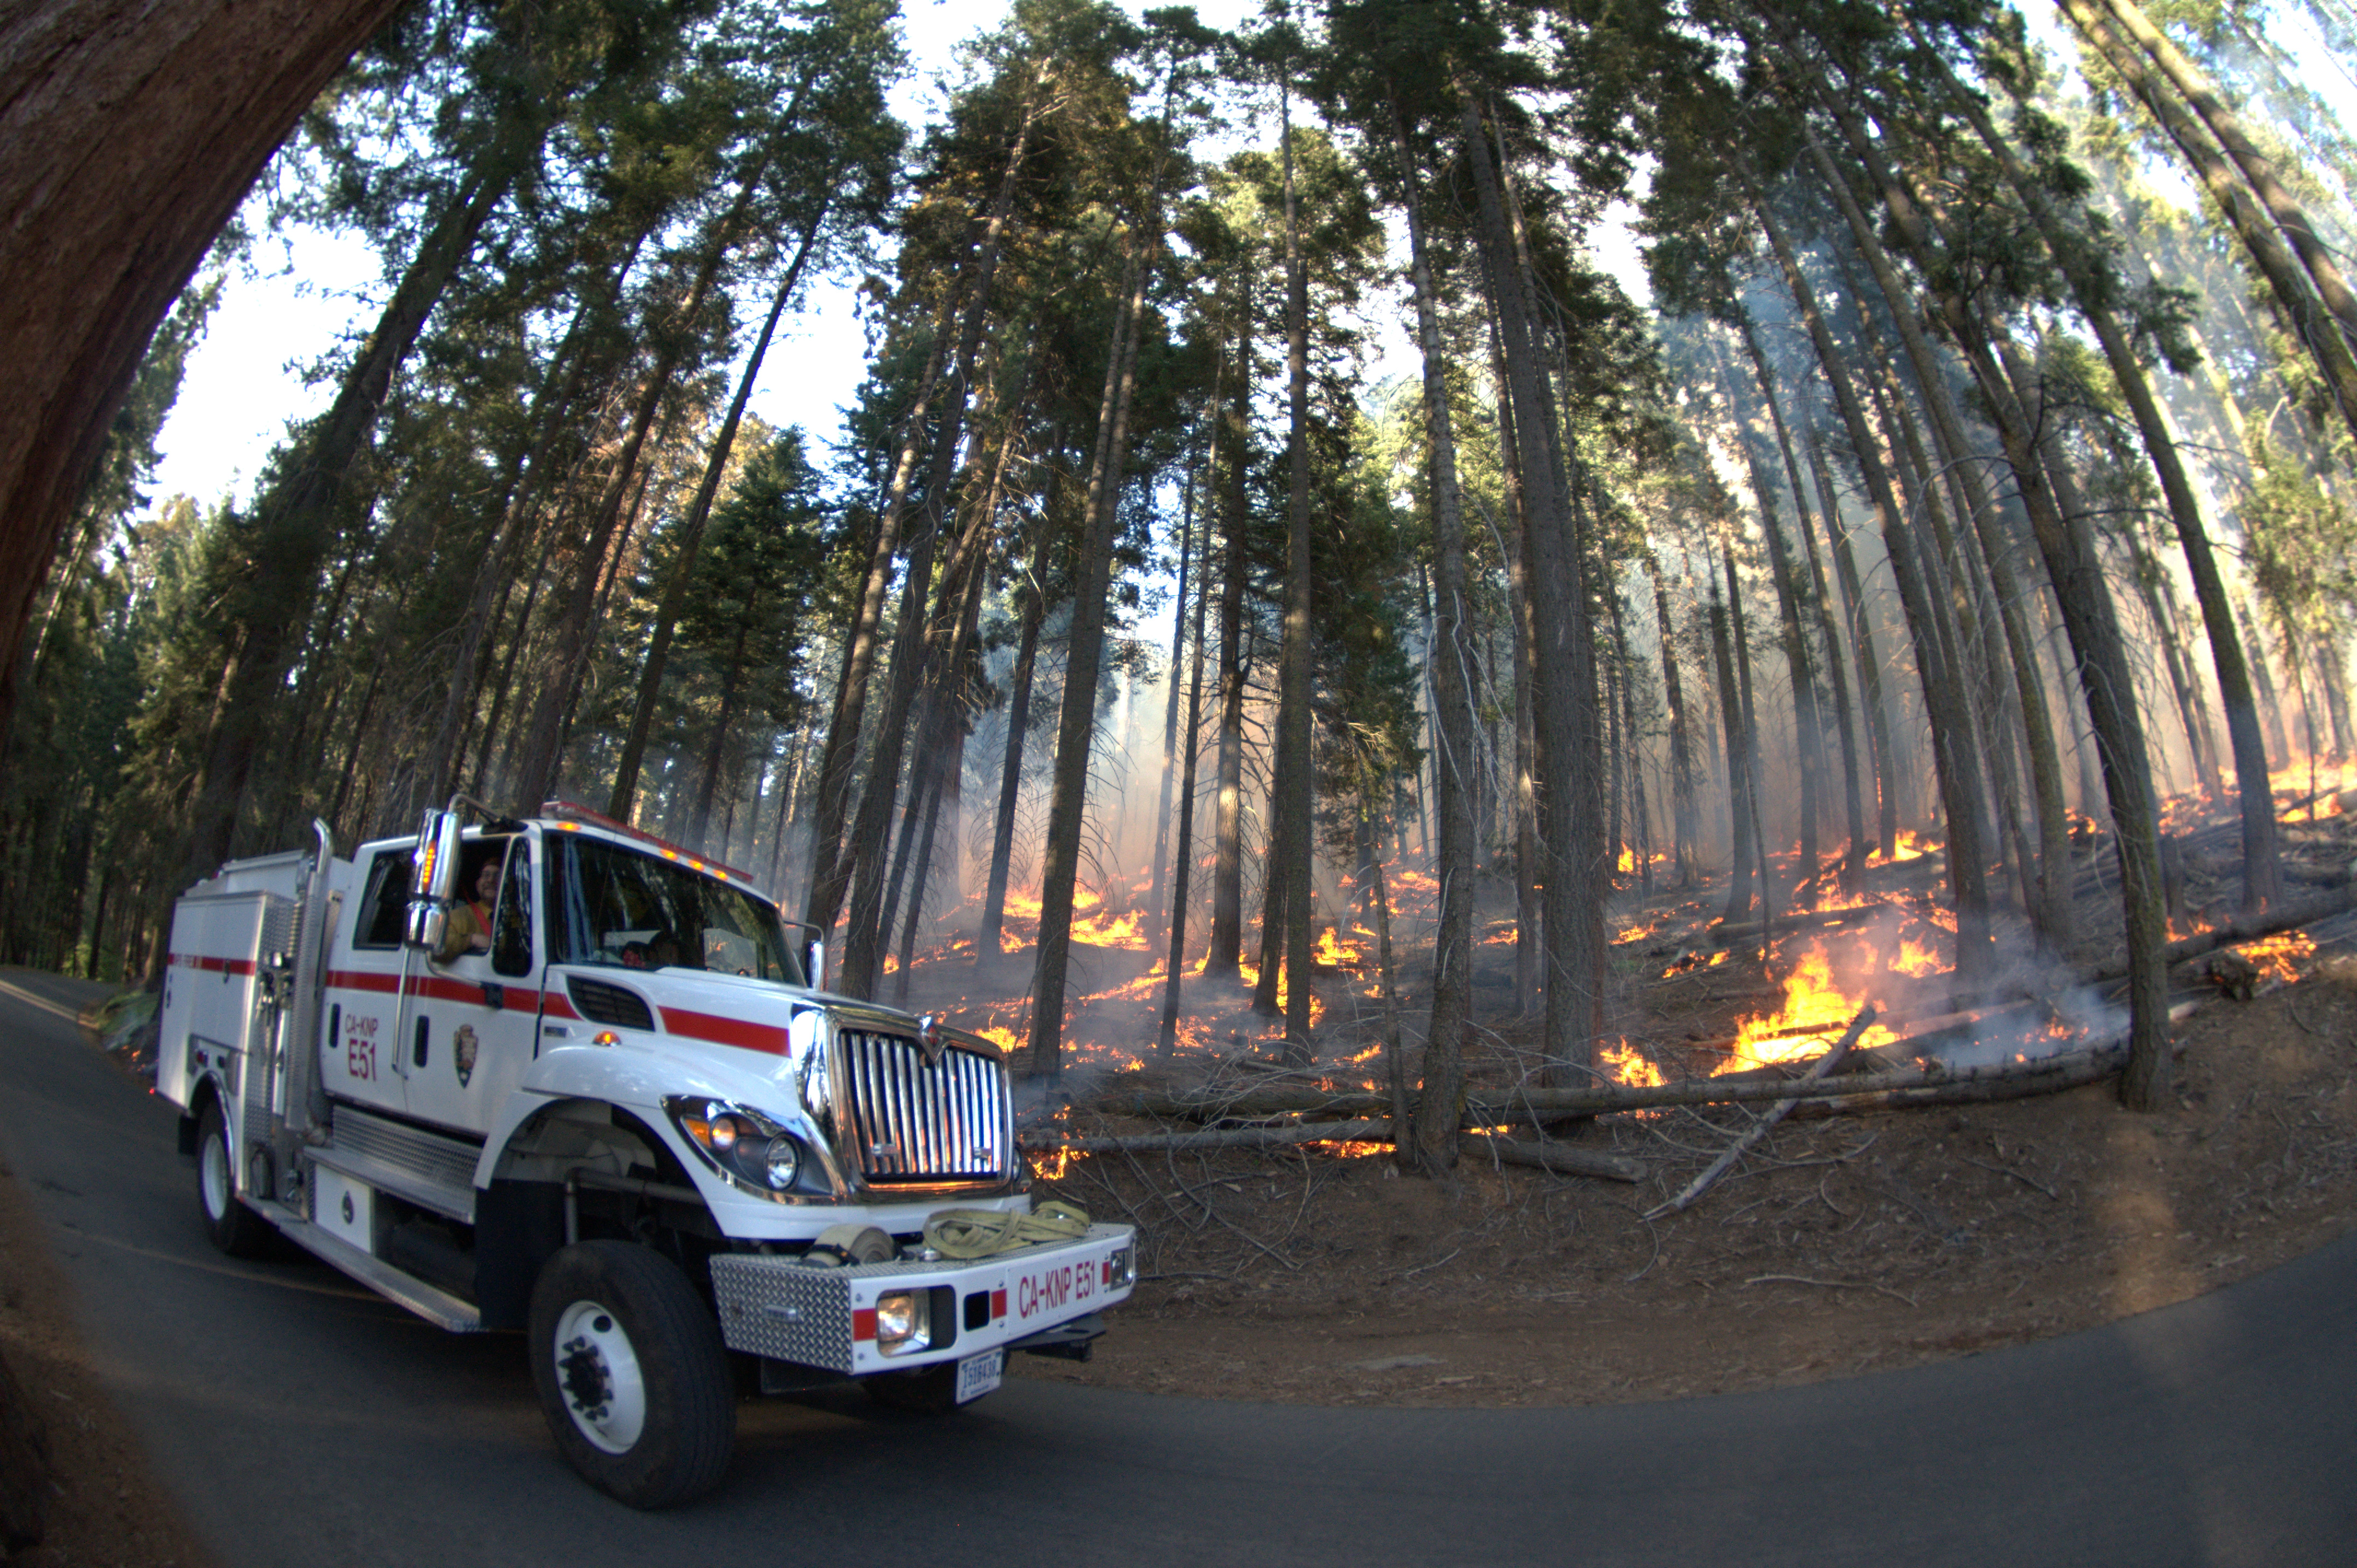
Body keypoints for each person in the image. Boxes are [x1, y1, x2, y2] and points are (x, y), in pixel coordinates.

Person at [436, 857, 500, 962]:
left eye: (498, 876)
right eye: (486, 875)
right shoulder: (459, 916)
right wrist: (472, 940)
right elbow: (436, 950)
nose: (491, 880)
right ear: (477, 884)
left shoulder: (517, 918)